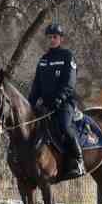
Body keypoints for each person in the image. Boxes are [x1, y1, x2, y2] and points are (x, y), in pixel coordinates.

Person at [28, 23, 84, 177]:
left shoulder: (67, 57)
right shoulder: (43, 60)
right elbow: (36, 86)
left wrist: (59, 100)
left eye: (55, 37)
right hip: (46, 105)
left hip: (65, 103)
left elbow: (69, 83)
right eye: (50, 37)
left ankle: (79, 160)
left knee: (65, 126)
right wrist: (29, 105)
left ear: (61, 39)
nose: (52, 40)